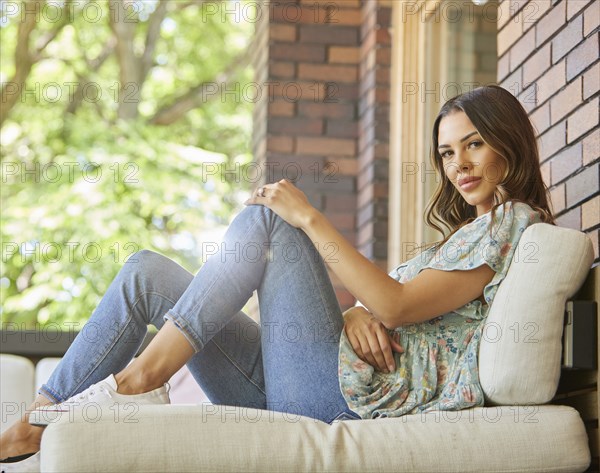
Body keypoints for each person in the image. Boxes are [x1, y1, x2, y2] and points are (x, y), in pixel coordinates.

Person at [0, 85, 554, 470]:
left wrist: (310, 219)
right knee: (145, 270)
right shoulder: (464, 237)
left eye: (474, 144)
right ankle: (35, 420)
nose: (459, 163)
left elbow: (400, 305)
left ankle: (141, 379)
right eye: (447, 151)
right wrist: (357, 313)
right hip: (312, 378)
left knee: (270, 218)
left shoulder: (511, 224)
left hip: (342, 399)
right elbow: (393, 306)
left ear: (509, 141)